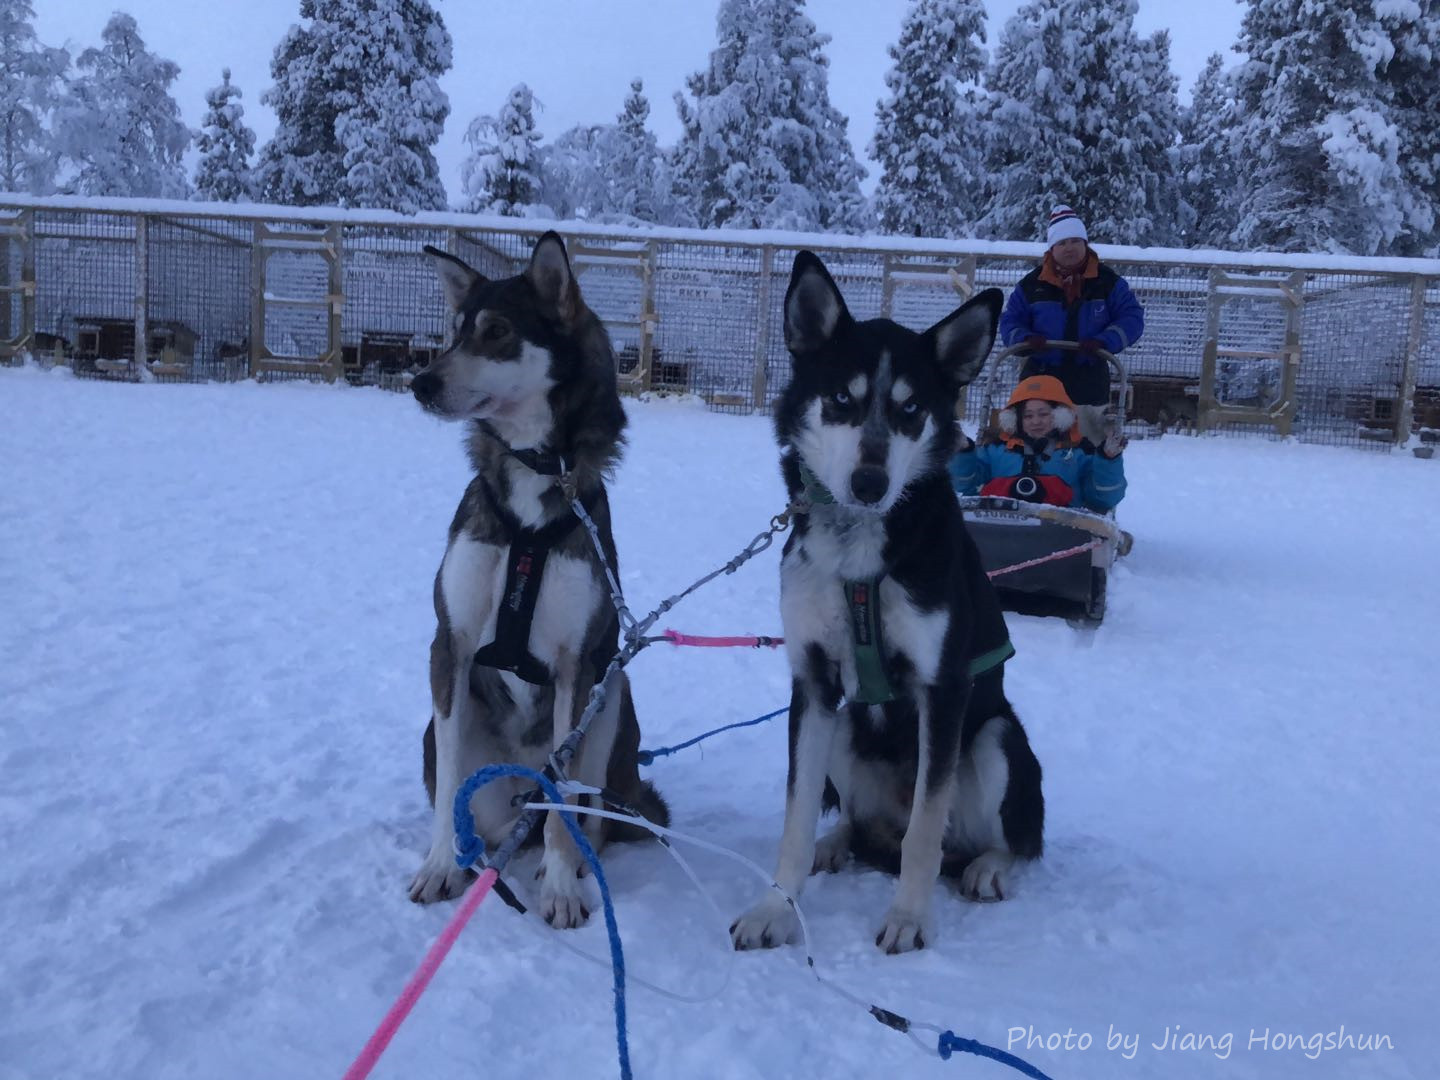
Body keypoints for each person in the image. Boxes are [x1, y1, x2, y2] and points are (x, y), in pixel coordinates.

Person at [999, 205, 1144, 446]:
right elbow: (1010, 320)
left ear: (1085, 244)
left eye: (1076, 241)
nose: (1070, 248)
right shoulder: (1032, 285)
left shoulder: (1107, 283)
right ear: (1052, 248)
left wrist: (1105, 341)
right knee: (1035, 440)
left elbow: (1132, 317)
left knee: (1088, 443)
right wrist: (1024, 339)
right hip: (1041, 373)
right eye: (1063, 242)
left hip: (1088, 373)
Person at [949, 374, 1127, 513]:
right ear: (1017, 419)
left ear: (1059, 415)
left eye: (1043, 414)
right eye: (1028, 416)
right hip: (1002, 529)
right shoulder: (995, 451)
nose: (1036, 422)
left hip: (1063, 534)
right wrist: (963, 453)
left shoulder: (1079, 453)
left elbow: (1103, 499)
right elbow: (967, 488)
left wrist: (1108, 460)